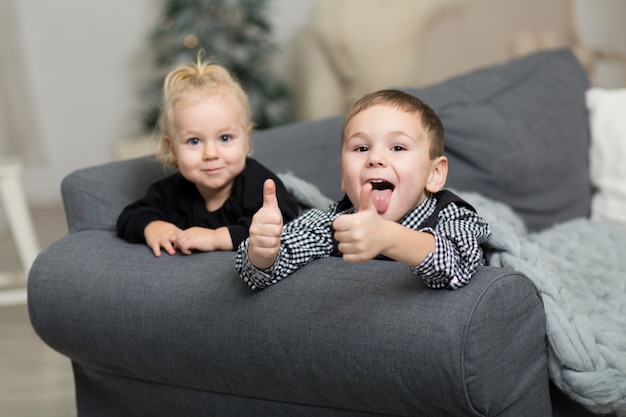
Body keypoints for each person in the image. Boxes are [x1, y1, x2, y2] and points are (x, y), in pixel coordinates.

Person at [236, 89, 491, 290]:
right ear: (344, 177)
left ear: (434, 174)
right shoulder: (334, 223)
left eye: (398, 148)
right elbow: (264, 271)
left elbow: (459, 264)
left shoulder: (452, 216)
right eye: (361, 148)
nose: (375, 158)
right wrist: (263, 251)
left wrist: (388, 236)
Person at [117, 52, 299, 257]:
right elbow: (129, 217)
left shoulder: (258, 184)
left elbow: (285, 223)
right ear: (173, 148)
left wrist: (217, 238)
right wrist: (153, 227)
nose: (211, 154)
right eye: (194, 141)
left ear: (246, 139)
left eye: (225, 138)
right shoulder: (171, 192)